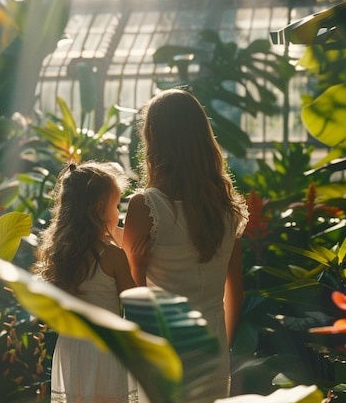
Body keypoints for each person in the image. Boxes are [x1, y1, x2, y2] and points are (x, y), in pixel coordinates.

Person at [122, 88, 249, 402]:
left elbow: (129, 292)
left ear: (152, 135)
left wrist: (137, 268)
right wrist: (224, 349)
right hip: (214, 352)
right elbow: (237, 291)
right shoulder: (227, 209)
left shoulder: (146, 206)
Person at [32, 161, 139, 403]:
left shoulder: (59, 255)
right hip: (105, 351)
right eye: (116, 207)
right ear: (100, 208)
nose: (119, 217)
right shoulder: (112, 255)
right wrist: (139, 260)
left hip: (71, 348)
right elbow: (134, 304)